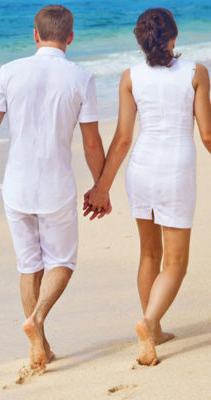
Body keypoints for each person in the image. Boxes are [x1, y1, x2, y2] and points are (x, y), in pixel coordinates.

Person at [0, 4, 108, 370]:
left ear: (35, 35)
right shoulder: (81, 77)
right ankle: (37, 322)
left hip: (16, 185)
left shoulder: (9, 72)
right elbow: (92, 143)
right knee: (61, 261)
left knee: (28, 264)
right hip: (55, 186)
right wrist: (101, 186)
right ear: (70, 36)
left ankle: (41, 346)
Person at [85, 8, 211, 366]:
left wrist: (102, 187)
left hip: (140, 169)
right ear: (173, 36)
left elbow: (123, 138)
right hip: (175, 170)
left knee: (149, 254)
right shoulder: (196, 72)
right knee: (176, 262)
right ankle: (150, 321)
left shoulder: (130, 76)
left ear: (141, 41)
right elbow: (207, 133)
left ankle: (152, 333)